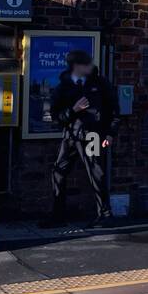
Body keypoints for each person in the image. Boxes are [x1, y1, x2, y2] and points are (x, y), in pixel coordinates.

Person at [44, 49, 119, 227]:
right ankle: (58, 216)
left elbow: (114, 110)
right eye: (85, 64)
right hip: (71, 135)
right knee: (58, 172)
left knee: (96, 173)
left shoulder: (100, 84)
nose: (90, 66)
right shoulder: (64, 86)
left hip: (92, 135)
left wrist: (110, 133)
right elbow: (55, 116)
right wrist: (73, 110)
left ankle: (105, 215)